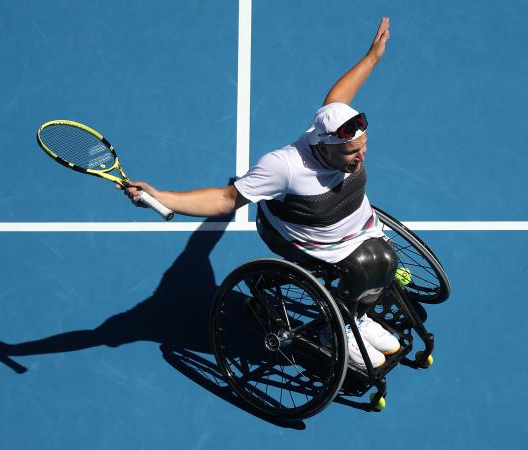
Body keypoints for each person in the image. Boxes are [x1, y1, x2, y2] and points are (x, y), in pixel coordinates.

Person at [122, 17, 399, 370]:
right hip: (303, 236)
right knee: (365, 267)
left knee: (386, 260)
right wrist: (161, 196)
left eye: (363, 147)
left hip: (353, 223)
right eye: (351, 153)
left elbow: (339, 97)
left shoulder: (336, 133)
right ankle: (337, 329)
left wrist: (372, 56)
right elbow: (225, 200)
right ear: (324, 146)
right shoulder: (283, 167)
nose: (360, 157)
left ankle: (355, 317)